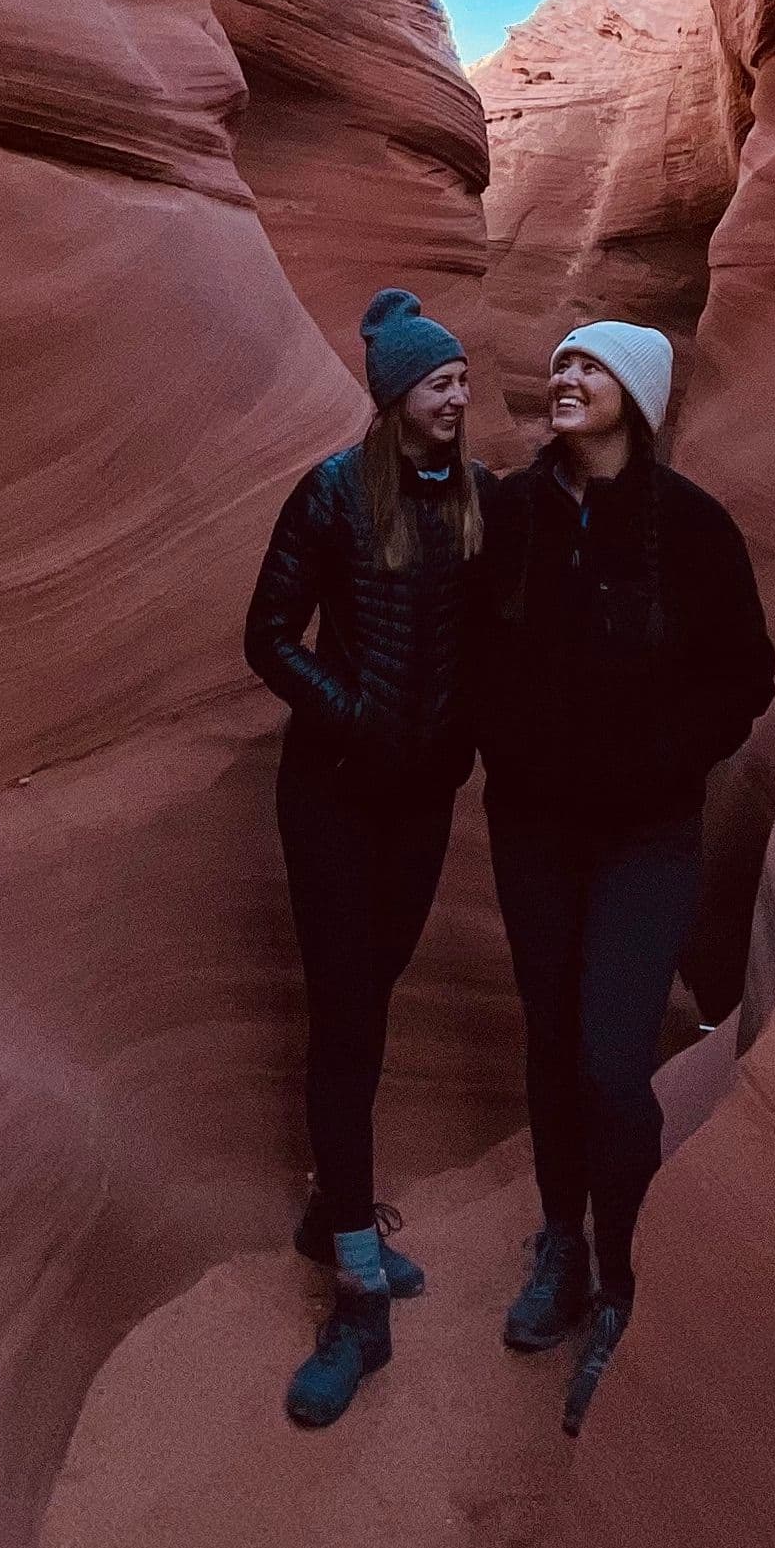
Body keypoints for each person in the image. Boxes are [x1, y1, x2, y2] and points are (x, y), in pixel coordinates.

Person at [470, 318, 773, 1433]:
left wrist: (662, 755)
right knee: (552, 1042)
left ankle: (624, 1276)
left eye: (589, 367)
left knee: (609, 1058)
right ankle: (562, 1244)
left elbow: (746, 674)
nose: (565, 380)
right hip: (536, 828)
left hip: (646, 836)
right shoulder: (508, 515)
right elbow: (459, 637)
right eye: (560, 365)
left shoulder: (692, 528)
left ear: (636, 398)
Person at [243, 287, 484, 1429]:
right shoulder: (336, 493)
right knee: (346, 1020)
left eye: (464, 383)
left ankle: (325, 1205)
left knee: (369, 1004)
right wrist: (353, 716)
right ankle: (355, 1298)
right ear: (397, 397)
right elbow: (267, 636)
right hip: (336, 797)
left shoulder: (474, 500)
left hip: (422, 803)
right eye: (441, 383)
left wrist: (462, 739)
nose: (459, 398)